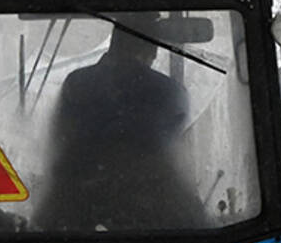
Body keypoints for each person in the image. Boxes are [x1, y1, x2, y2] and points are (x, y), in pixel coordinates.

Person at [40, 18, 206, 232]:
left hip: (76, 212)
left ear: (113, 44)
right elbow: (177, 154)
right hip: (154, 211)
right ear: (152, 52)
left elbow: (58, 143)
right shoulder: (169, 91)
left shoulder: (77, 83)